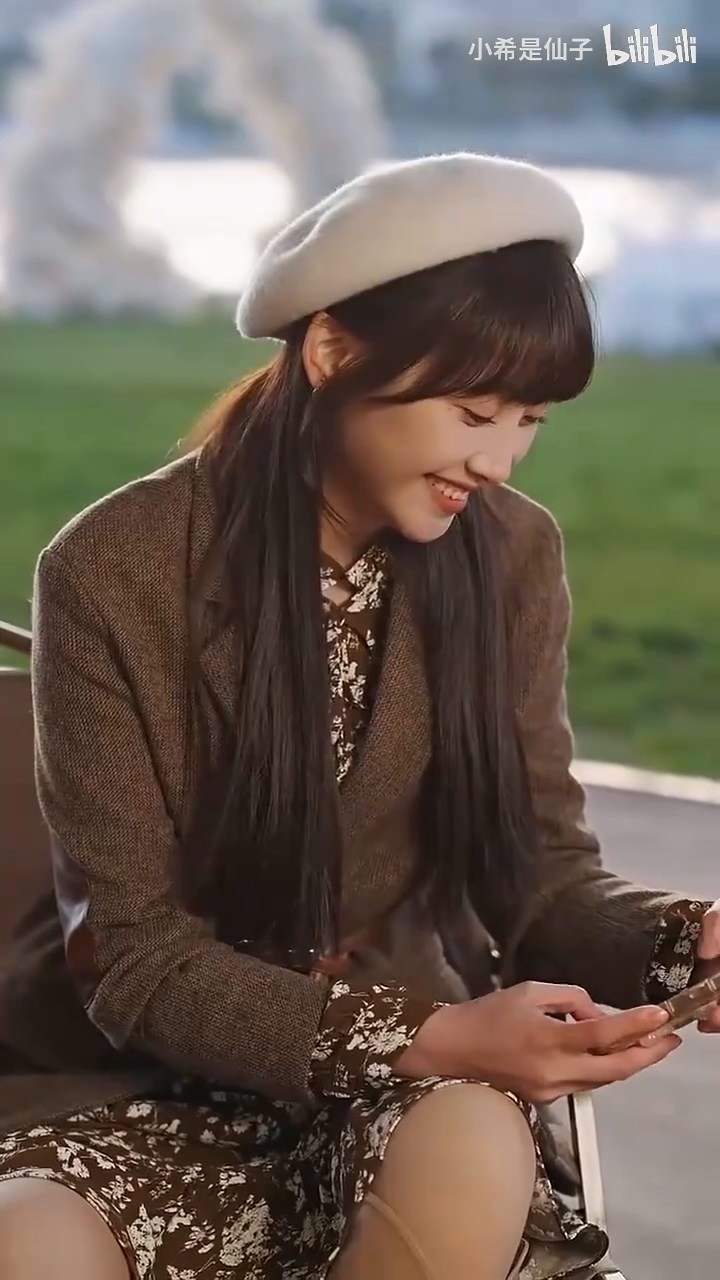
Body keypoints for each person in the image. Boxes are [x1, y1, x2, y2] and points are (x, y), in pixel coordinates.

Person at [0, 152, 717, 1280]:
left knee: (467, 1143)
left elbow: (538, 873)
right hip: (140, 1087)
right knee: (28, 1241)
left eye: (529, 419)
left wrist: (683, 938)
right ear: (331, 350)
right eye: (473, 410)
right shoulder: (111, 568)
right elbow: (135, 959)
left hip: (403, 1096)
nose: (499, 458)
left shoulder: (512, 556)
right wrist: (432, 1033)